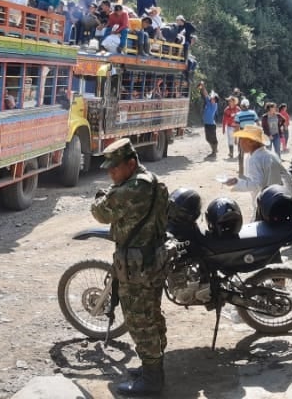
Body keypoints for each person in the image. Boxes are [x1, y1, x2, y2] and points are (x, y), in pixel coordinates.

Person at [90, 138, 170, 395]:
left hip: (137, 268)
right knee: (152, 316)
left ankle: (152, 381)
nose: (111, 173)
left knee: (139, 321)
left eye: (115, 168)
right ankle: (153, 366)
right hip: (153, 261)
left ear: (131, 163)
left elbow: (100, 212)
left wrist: (102, 195)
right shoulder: (154, 181)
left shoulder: (131, 188)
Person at [225, 126, 292, 214]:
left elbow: (256, 185)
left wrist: (237, 182)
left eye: (241, 140)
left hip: (264, 205)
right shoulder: (271, 155)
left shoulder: (254, 159)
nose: (239, 144)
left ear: (251, 142)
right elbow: (286, 176)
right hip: (277, 199)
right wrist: (288, 195)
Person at [198, 82, 219, 158]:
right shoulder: (208, 102)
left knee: (213, 138)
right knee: (207, 138)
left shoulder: (214, 105)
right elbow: (205, 94)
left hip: (211, 125)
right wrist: (203, 87)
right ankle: (214, 150)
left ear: (215, 100)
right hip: (206, 123)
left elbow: (207, 95)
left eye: (214, 99)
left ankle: (214, 152)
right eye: (212, 98)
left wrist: (203, 87)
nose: (212, 99)